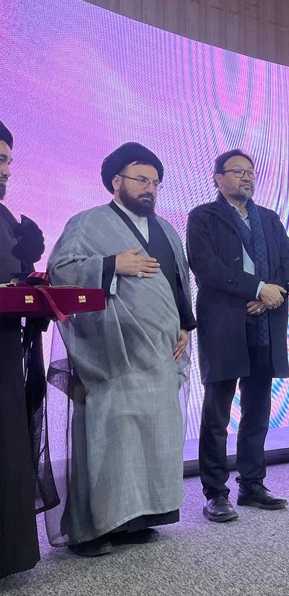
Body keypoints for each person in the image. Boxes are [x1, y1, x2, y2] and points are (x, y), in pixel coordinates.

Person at [45, 142, 195, 556]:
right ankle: (91, 531)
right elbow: (60, 270)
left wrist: (186, 326)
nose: (150, 188)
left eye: (155, 183)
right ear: (116, 181)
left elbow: (180, 282)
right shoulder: (88, 222)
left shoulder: (166, 230)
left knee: (152, 439)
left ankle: (137, 520)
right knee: (109, 440)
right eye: (141, 179)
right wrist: (113, 264)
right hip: (112, 356)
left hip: (159, 355)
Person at [186, 149, 289, 522]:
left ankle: (252, 484)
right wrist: (257, 289)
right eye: (237, 171)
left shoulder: (269, 218)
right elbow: (206, 268)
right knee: (217, 414)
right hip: (225, 323)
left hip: (265, 322)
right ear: (218, 178)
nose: (246, 177)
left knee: (257, 411)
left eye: (250, 171)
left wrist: (271, 294)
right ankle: (215, 493)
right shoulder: (203, 216)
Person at [0, 119, 57, 579]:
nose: (6, 170)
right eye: (0, 160)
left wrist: (28, 278)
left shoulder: (5, 217)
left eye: (8, 162)